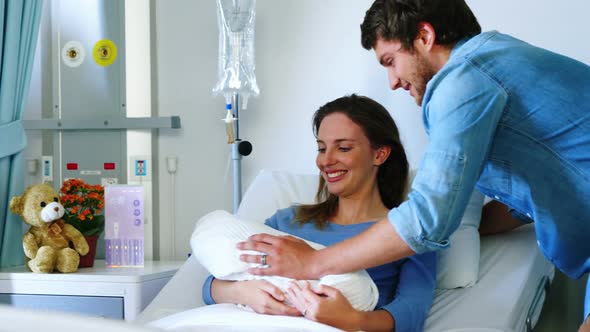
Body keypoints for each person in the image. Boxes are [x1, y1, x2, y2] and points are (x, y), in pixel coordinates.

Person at [237, 0, 590, 330]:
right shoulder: (496, 63)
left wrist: (313, 263)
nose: (392, 82)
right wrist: (467, 228)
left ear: (424, 36)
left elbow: (425, 222)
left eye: (390, 60)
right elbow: (538, 192)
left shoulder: (463, 78)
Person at [202, 94, 436, 332]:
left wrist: (351, 319)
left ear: (379, 154)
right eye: (321, 148)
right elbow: (213, 284)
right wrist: (243, 292)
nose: (327, 160)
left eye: (343, 148)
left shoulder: (406, 233)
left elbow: (411, 313)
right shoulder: (287, 222)